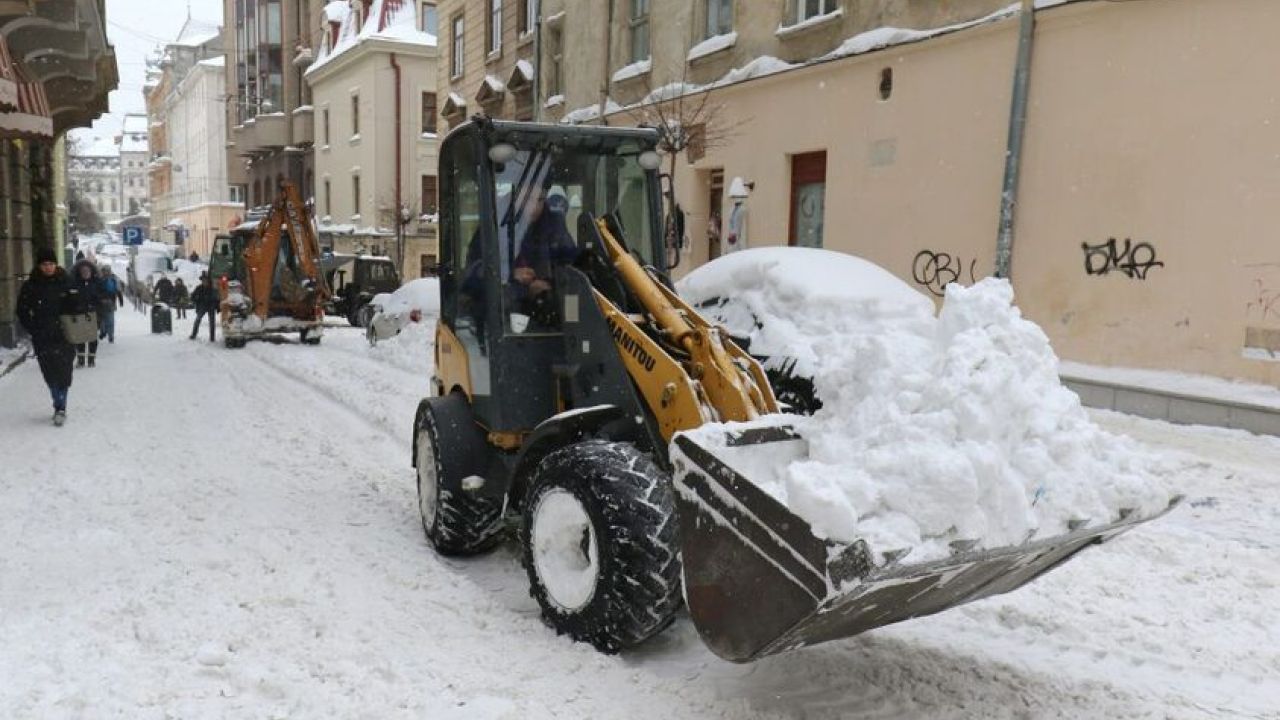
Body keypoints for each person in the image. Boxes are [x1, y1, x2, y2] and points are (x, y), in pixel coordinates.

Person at [16, 248, 76, 425]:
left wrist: (76, 303)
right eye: (45, 264)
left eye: (51, 264)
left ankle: (61, 407)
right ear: (39, 266)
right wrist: (33, 328)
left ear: (55, 264)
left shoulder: (66, 281)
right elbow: (22, 310)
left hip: (64, 334)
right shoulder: (31, 285)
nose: (48, 267)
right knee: (49, 372)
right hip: (42, 335)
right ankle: (57, 400)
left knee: (64, 371)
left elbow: (78, 305)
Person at [508, 185, 577, 328]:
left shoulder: (555, 228)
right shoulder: (495, 226)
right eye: (527, 200)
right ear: (515, 200)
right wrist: (510, 274)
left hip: (548, 313)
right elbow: (478, 268)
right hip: (504, 313)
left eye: (539, 200)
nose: (533, 206)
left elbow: (571, 268)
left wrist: (549, 285)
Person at [69, 259, 104, 367]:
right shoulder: (74, 284)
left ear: (91, 271)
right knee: (80, 338)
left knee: (92, 337)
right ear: (79, 272)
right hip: (79, 314)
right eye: (83, 271)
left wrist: (99, 313)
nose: (85, 272)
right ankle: (80, 359)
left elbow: (101, 299)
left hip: (93, 314)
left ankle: (91, 359)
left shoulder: (96, 283)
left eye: (87, 270)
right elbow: (69, 299)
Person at [189, 272, 219, 341]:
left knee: (212, 323)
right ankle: (194, 334)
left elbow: (217, 299)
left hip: (211, 306)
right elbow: (192, 297)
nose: (204, 282)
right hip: (202, 306)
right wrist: (196, 299)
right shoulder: (199, 288)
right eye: (203, 280)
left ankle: (212, 338)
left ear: (208, 280)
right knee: (197, 320)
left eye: (206, 280)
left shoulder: (213, 289)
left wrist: (216, 306)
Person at [97, 265, 123, 343]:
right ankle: (106, 333)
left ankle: (108, 334)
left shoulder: (111, 280)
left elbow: (118, 290)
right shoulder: (109, 280)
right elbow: (118, 291)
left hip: (107, 302)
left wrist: (120, 300)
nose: (105, 272)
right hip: (105, 302)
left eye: (106, 271)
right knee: (106, 320)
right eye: (104, 271)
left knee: (107, 319)